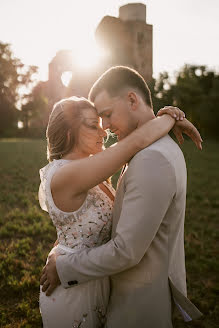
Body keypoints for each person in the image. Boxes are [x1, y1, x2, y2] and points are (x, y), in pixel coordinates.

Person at [39, 66, 202, 328]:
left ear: (131, 100)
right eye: (95, 123)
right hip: (82, 291)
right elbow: (132, 144)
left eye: (105, 115)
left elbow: (124, 249)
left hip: (133, 299)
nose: (105, 128)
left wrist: (169, 117)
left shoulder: (151, 158)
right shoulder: (134, 153)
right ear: (70, 134)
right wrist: (168, 117)